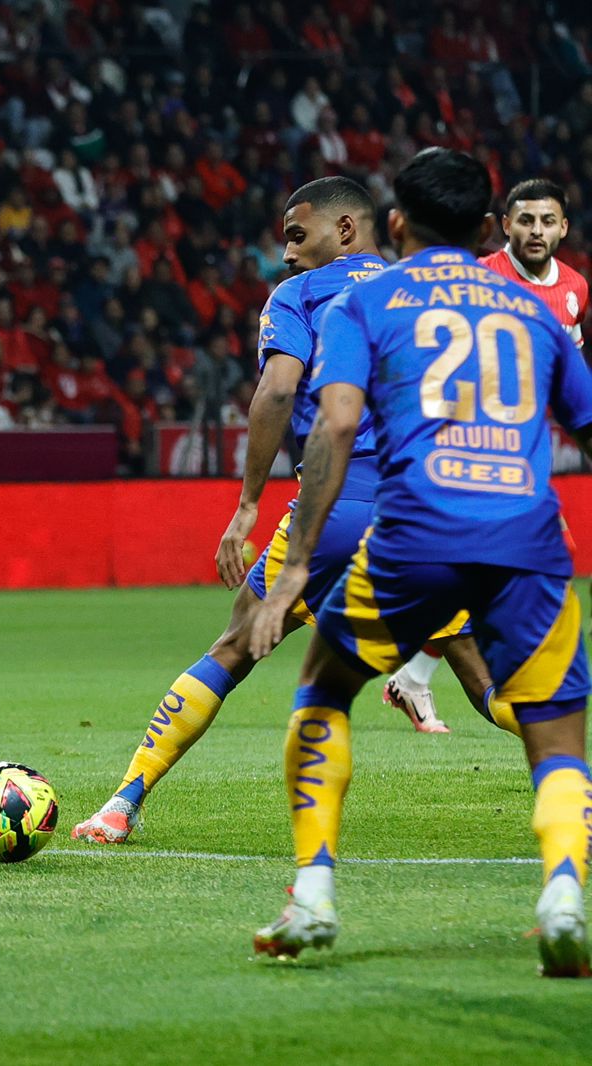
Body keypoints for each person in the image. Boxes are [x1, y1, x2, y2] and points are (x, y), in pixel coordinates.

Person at [248, 148, 592, 977]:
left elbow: (331, 428)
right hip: (527, 546)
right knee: (554, 731)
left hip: (412, 536)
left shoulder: (365, 303)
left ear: (396, 224)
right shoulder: (533, 308)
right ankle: (564, 897)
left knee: (325, 689)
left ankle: (314, 896)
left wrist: (293, 568)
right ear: (488, 228)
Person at [70, 178, 473, 843]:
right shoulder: (420, 292)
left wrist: (247, 504)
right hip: (424, 509)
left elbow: (278, 390)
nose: (285, 255)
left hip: (338, 504)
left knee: (233, 650)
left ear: (345, 229)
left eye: (296, 234)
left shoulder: (305, 295)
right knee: (482, 669)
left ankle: (123, 802)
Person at [386, 177, 591, 725]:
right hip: (470, 453)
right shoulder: (479, 279)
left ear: (564, 227)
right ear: (504, 225)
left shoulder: (575, 287)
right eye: (525, 220)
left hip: (528, 457)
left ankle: (416, 675)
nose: (536, 231)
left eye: (548, 221)